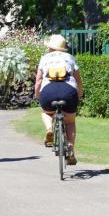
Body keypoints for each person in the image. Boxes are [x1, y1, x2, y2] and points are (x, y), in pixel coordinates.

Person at [34, 34, 83, 164]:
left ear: (50, 47)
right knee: (70, 121)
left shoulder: (44, 58)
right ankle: (71, 150)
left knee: (46, 112)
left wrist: (38, 95)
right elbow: (78, 80)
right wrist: (79, 95)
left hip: (48, 91)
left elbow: (38, 80)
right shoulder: (70, 58)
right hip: (68, 91)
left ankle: (49, 128)